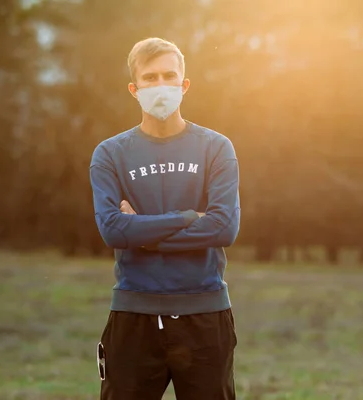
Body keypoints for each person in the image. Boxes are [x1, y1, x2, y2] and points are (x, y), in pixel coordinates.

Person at [89, 37, 241, 400]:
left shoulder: (216, 147)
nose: (161, 86)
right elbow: (112, 229)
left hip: (205, 315)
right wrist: (188, 217)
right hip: (133, 316)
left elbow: (224, 227)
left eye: (169, 76)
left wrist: (140, 230)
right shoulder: (110, 153)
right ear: (134, 89)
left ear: (184, 85)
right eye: (150, 77)